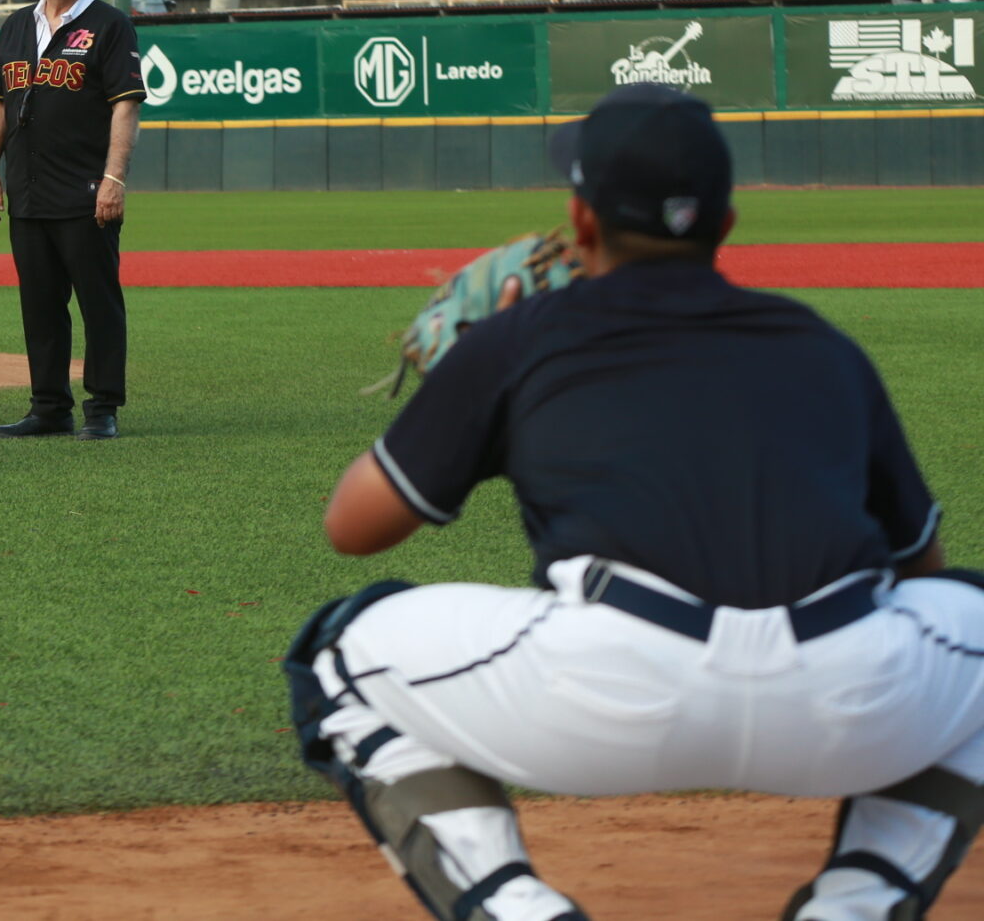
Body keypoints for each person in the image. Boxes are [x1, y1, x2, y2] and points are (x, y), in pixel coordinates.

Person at [285, 84, 984, 921]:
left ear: (581, 222)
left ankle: (518, 910)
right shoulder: (820, 344)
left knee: (337, 656)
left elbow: (353, 527)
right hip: (842, 699)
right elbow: (921, 573)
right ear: (726, 225)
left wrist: (467, 382)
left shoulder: (524, 334)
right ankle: (856, 906)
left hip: (605, 696)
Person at [0, 0, 144, 441]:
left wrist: (114, 177)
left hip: (85, 189)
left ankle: (102, 408)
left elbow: (125, 105)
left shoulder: (110, 24)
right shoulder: (16, 26)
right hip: (26, 189)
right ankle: (48, 406)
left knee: (97, 301)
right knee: (40, 304)